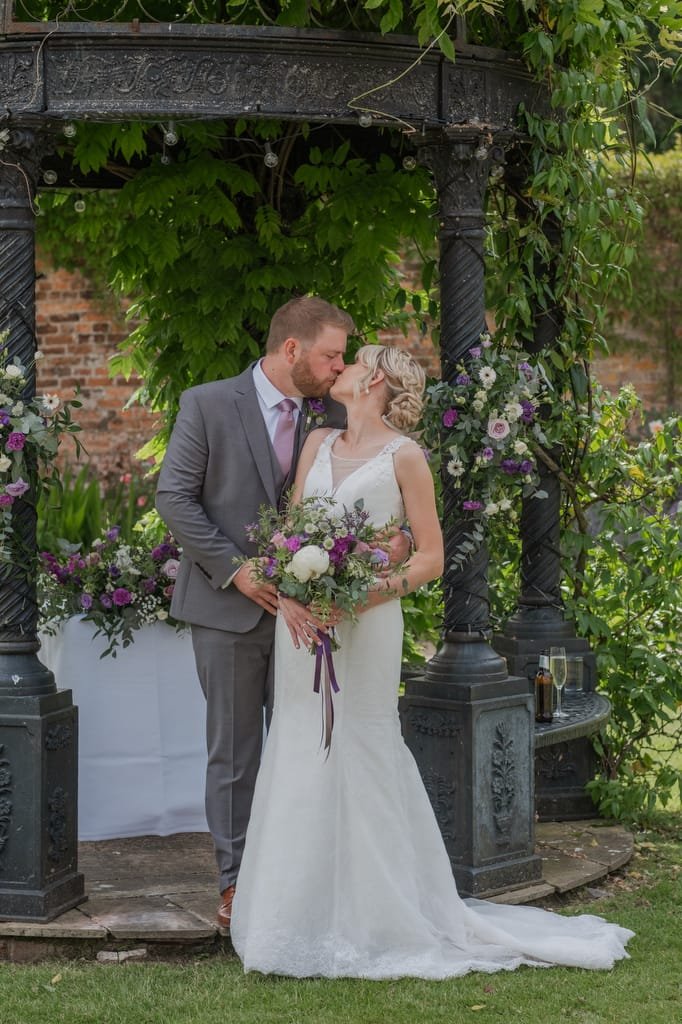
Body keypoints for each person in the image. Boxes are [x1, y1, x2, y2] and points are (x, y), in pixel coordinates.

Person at [229, 344, 634, 979]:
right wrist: (296, 598)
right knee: (300, 745)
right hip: (302, 625)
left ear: (377, 381)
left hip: (366, 627)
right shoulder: (315, 443)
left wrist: (360, 593)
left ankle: (381, 916)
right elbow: (288, 534)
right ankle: (294, 917)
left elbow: (429, 558)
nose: (342, 370)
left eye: (355, 362)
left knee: (361, 746)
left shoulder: (406, 456)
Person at [155, 296, 355, 928]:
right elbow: (175, 498)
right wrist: (237, 571)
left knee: (306, 743)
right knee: (235, 754)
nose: (336, 368)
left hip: (309, 616)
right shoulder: (207, 403)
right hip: (225, 611)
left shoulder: (334, 417)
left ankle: (302, 875)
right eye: (330, 355)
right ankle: (236, 884)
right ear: (291, 349)